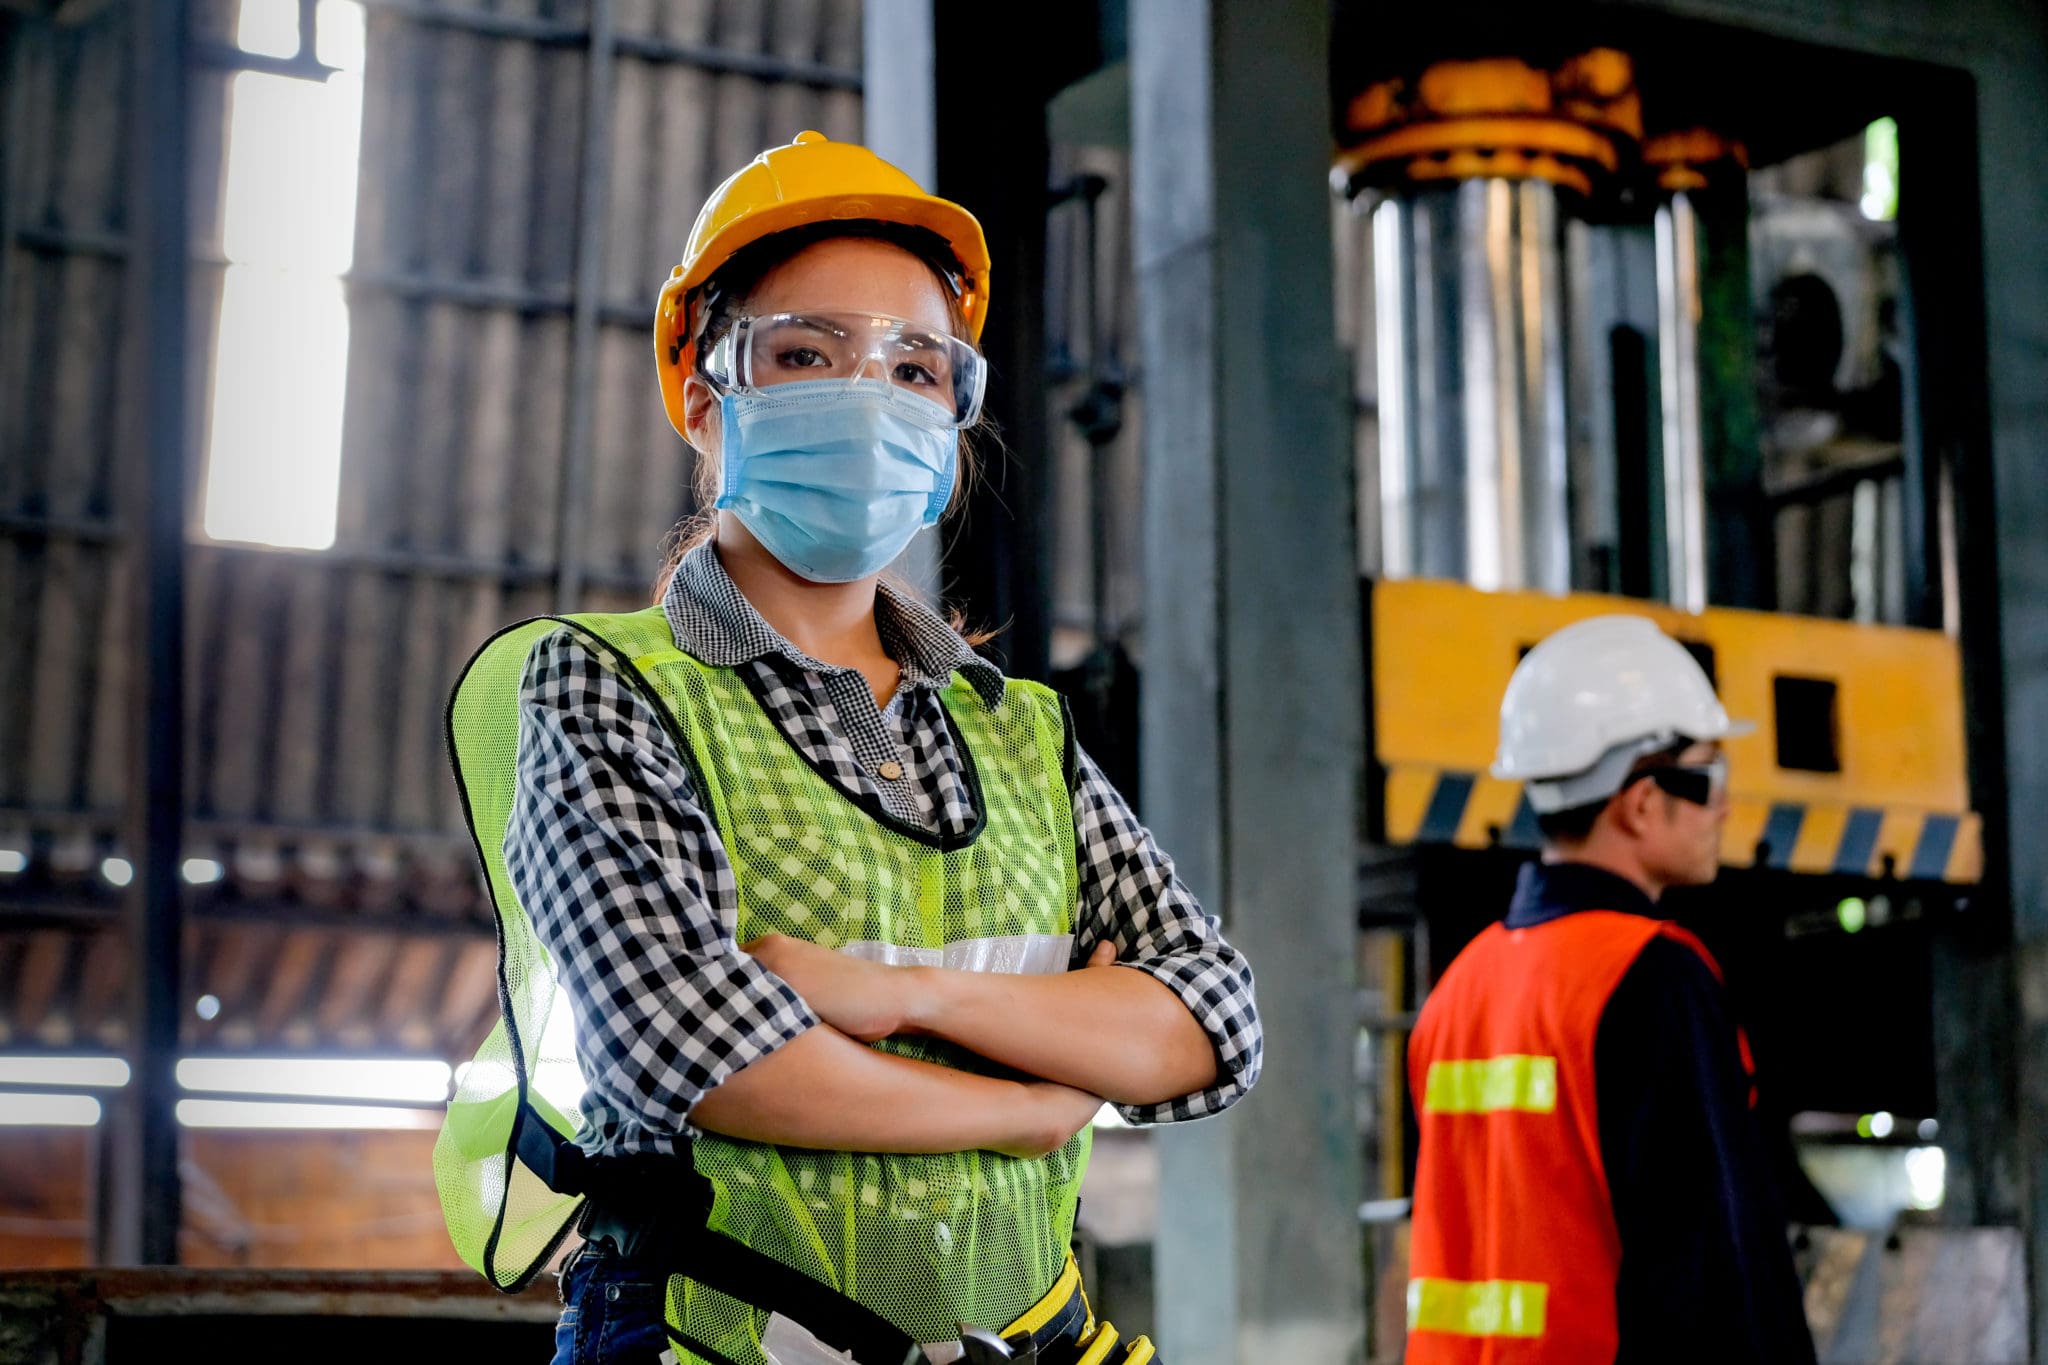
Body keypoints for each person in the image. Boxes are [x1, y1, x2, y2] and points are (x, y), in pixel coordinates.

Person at [435, 132, 1259, 1365]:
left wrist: (900, 996)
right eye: (809, 354)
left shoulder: (1013, 729)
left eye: (916, 369)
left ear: (950, 433)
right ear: (708, 407)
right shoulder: (606, 689)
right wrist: (1034, 1104)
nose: (870, 396)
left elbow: (1211, 1022)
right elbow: (702, 1052)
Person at [1404, 615, 1815, 1363]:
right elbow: (1719, 1269)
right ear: (1640, 800)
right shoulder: (1652, 976)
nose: (1724, 805)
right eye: (1710, 775)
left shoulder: (1459, 989)